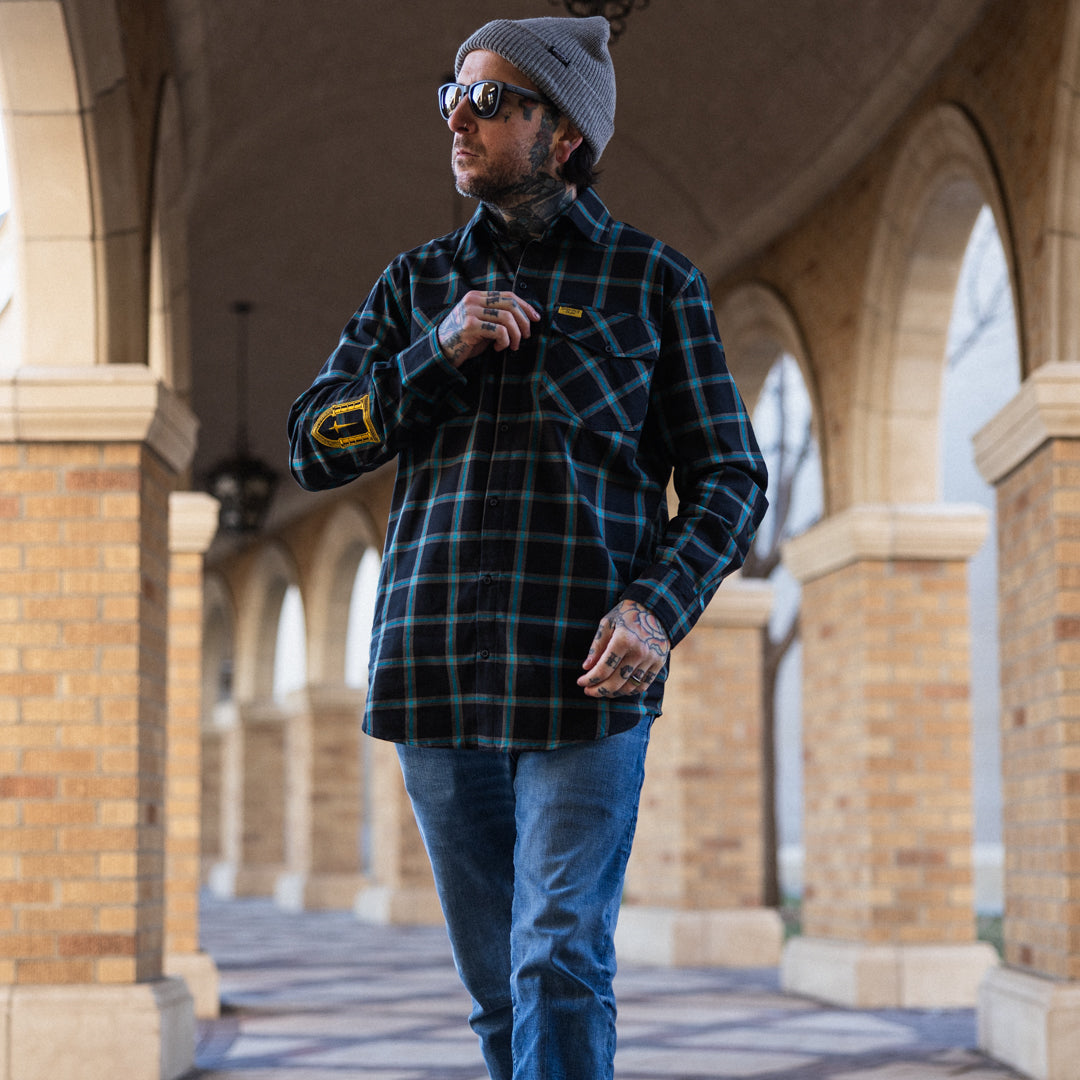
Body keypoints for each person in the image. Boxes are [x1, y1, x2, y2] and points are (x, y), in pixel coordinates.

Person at [287, 15, 768, 1079]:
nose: (459, 113)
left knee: (557, 955)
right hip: (438, 676)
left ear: (562, 136)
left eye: (492, 98)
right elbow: (311, 447)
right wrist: (437, 351)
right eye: (452, 93)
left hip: (584, 681)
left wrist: (658, 610)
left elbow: (733, 479)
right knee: (498, 983)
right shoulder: (412, 287)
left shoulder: (657, 285)